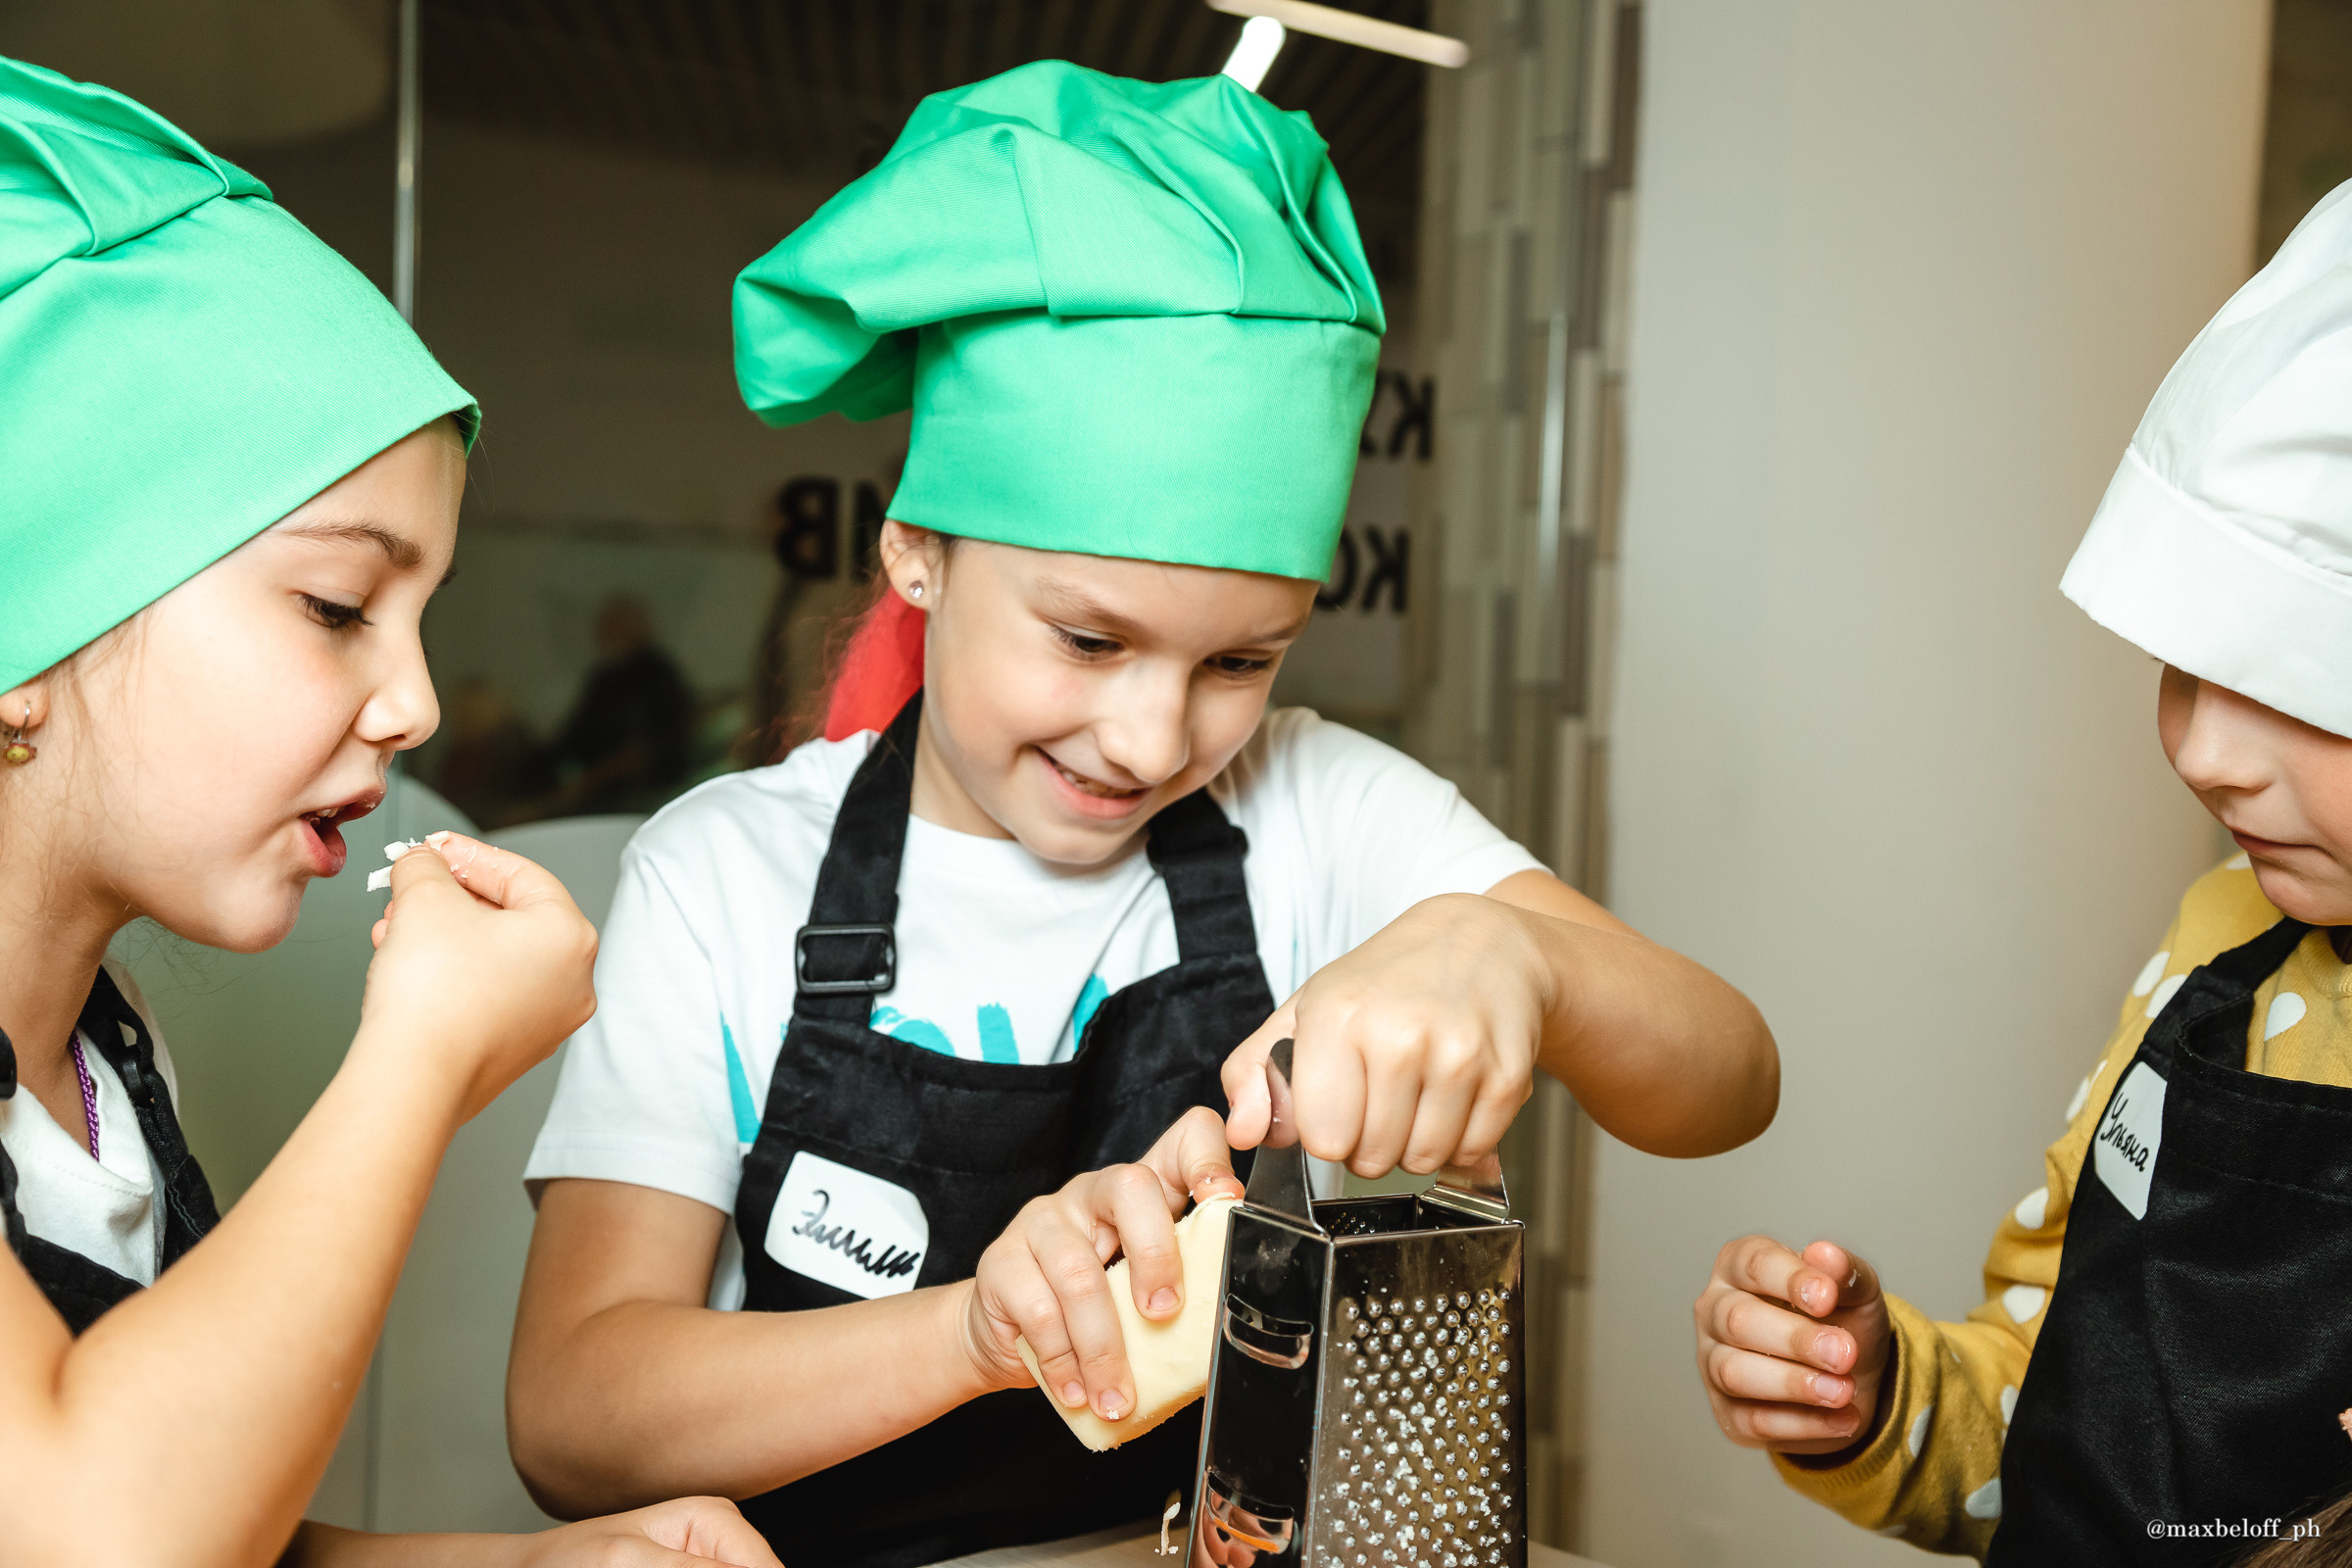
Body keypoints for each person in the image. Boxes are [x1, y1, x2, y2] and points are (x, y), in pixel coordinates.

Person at [510, 62, 1779, 1568]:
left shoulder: (1312, 810)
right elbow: (574, 1417)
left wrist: (1520, 961)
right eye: (1090, 640)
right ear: (916, 552)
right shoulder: (725, 875)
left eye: (1239, 660)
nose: (1153, 735)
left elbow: (1727, 1079)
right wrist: (980, 1331)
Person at [0, 57, 775, 1568]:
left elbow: (217, 1516)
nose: (414, 702)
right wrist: (416, 1062)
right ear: (30, 626)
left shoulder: (101, 1064)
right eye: (338, 603)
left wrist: (538, 1565)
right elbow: (95, 1529)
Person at [1692, 182, 2352, 1561]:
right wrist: (1879, 1404)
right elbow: (2065, 1420)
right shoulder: (2217, 944)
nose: (2209, 749)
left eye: (2298, 686)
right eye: (2190, 658)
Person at [541, 593, 695, 817]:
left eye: (617, 627)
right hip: (599, 787)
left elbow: (648, 749)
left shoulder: (658, 677)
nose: (608, 636)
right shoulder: (603, 679)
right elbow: (575, 734)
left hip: (642, 793)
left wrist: (590, 781)